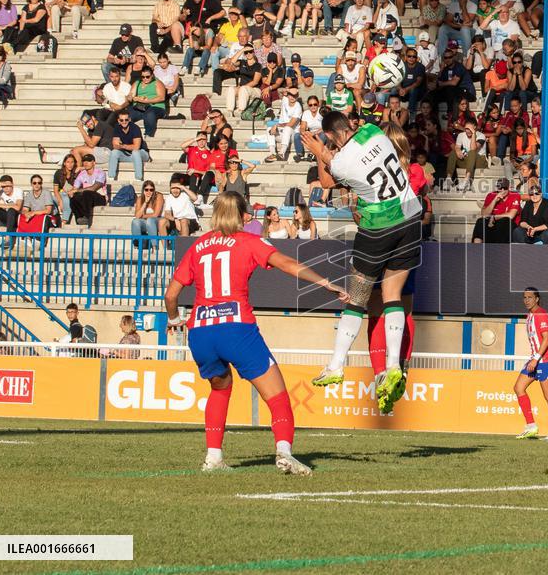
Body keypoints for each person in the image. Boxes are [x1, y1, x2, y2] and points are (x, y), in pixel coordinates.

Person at [165, 190, 347, 474]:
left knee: (220, 388)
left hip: (200, 330)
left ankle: (213, 457)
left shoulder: (198, 245)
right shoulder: (248, 241)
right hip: (235, 327)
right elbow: (286, 264)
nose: (250, 216)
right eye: (246, 212)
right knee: (277, 396)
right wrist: (325, 282)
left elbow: (171, 294)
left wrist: (175, 318)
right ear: (238, 215)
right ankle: (284, 452)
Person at [303, 112, 422, 412]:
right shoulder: (374, 133)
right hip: (409, 216)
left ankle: (336, 365)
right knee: (393, 295)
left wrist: (320, 152)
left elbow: (327, 181)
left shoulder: (342, 162)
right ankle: (394, 366)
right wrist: (329, 149)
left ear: (331, 135)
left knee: (357, 298)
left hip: (378, 225)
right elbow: (354, 147)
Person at [512, 287, 548, 441]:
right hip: (536, 359)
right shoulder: (530, 316)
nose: (526, 300)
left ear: (537, 299)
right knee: (518, 388)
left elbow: (547, 339)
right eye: (524, 297)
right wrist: (534, 358)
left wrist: (536, 359)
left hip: (546, 360)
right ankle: (531, 426)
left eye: (530, 297)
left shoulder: (541, 314)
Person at [67, 153, 107, 228]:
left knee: (87, 193)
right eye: (84, 161)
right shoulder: (81, 174)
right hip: (86, 198)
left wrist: (77, 190)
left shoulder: (101, 172)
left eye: (88, 161)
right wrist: (72, 192)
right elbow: (74, 188)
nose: (86, 163)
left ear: (94, 163)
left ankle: (87, 217)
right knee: (74, 197)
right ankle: (79, 218)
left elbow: (94, 188)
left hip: (100, 198)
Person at [0, 175, 22, 243]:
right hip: (7, 217)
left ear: (12, 184)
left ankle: (8, 236)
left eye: (8, 186)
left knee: (11, 210)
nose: (6, 189)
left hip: (16, 218)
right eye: (3, 186)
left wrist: (0, 205)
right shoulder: (2, 192)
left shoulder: (18, 191)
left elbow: (18, 207)